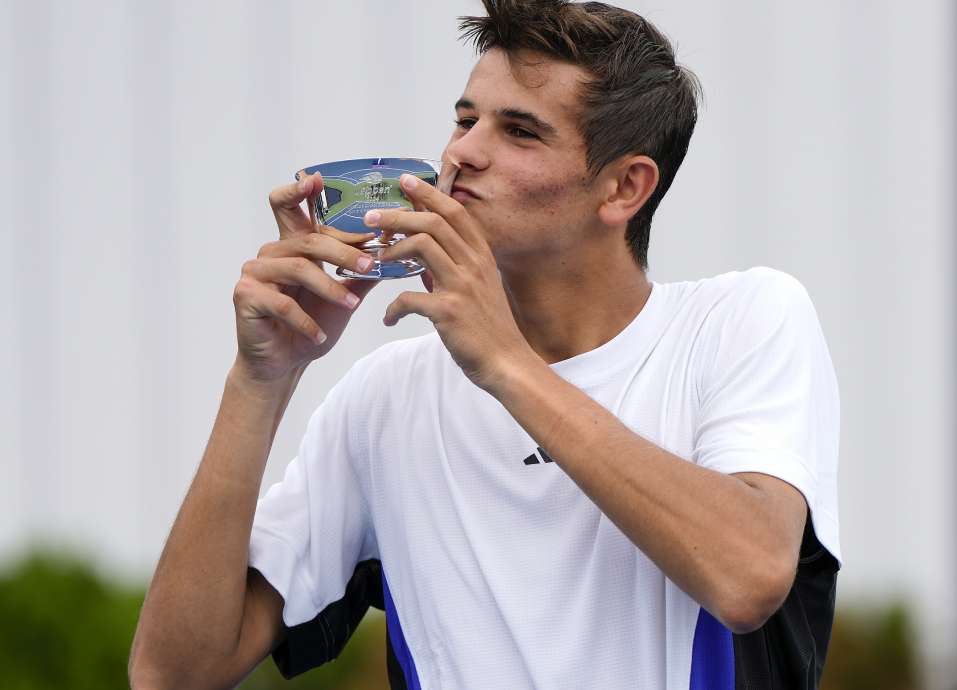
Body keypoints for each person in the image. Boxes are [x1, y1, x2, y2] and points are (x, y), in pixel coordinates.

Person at [129, 1, 841, 688]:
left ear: (625, 187)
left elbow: (749, 577)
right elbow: (172, 674)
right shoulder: (387, 396)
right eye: (465, 119)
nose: (462, 154)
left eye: (519, 131)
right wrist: (260, 380)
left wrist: (505, 362)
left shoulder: (741, 318)